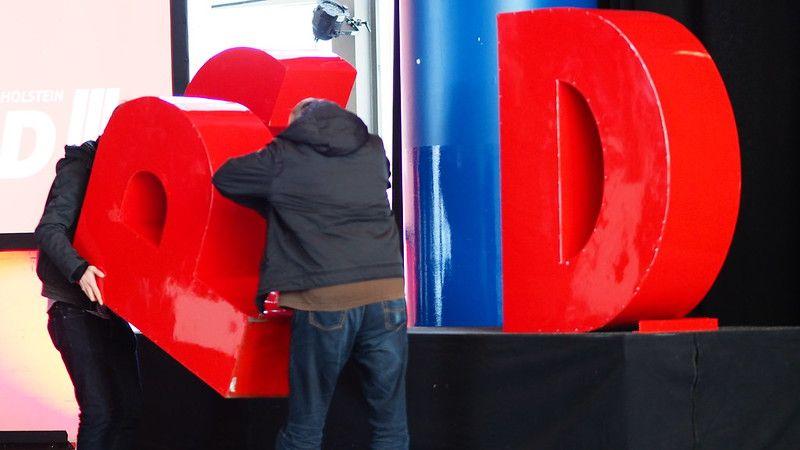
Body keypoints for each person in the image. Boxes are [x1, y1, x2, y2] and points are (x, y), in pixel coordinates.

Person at [213, 98, 408, 449]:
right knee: (390, 424)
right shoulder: (373, 148)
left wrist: (276, 204)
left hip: (324, 296)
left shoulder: (284, 157)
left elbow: (226, 177)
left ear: (299, 126)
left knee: (306, 425)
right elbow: (382, 178)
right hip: (387, 293)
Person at [34, 139, 142, 450]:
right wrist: (79, 270)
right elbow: (49, 229)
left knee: (130, 410)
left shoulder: (128, 174)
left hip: (109, 309)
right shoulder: (81, 165)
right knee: (100, 413)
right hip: (72, 308)